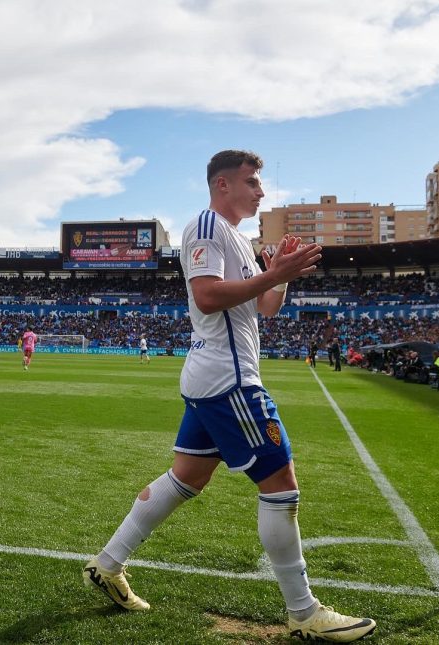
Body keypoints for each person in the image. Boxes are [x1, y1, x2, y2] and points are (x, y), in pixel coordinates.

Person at [82, 150, 375, 642]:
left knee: (186, 477)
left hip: (213, 377)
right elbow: (208, 295)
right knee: (279, 482)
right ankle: (304, 614)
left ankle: (107, 565)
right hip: (229, 380)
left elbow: (264, 307)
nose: (261, 191)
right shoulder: (205, 226)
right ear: (222, 185)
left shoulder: (238, 238)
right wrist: (273, 273)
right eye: (252, 181)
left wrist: (279, 277)